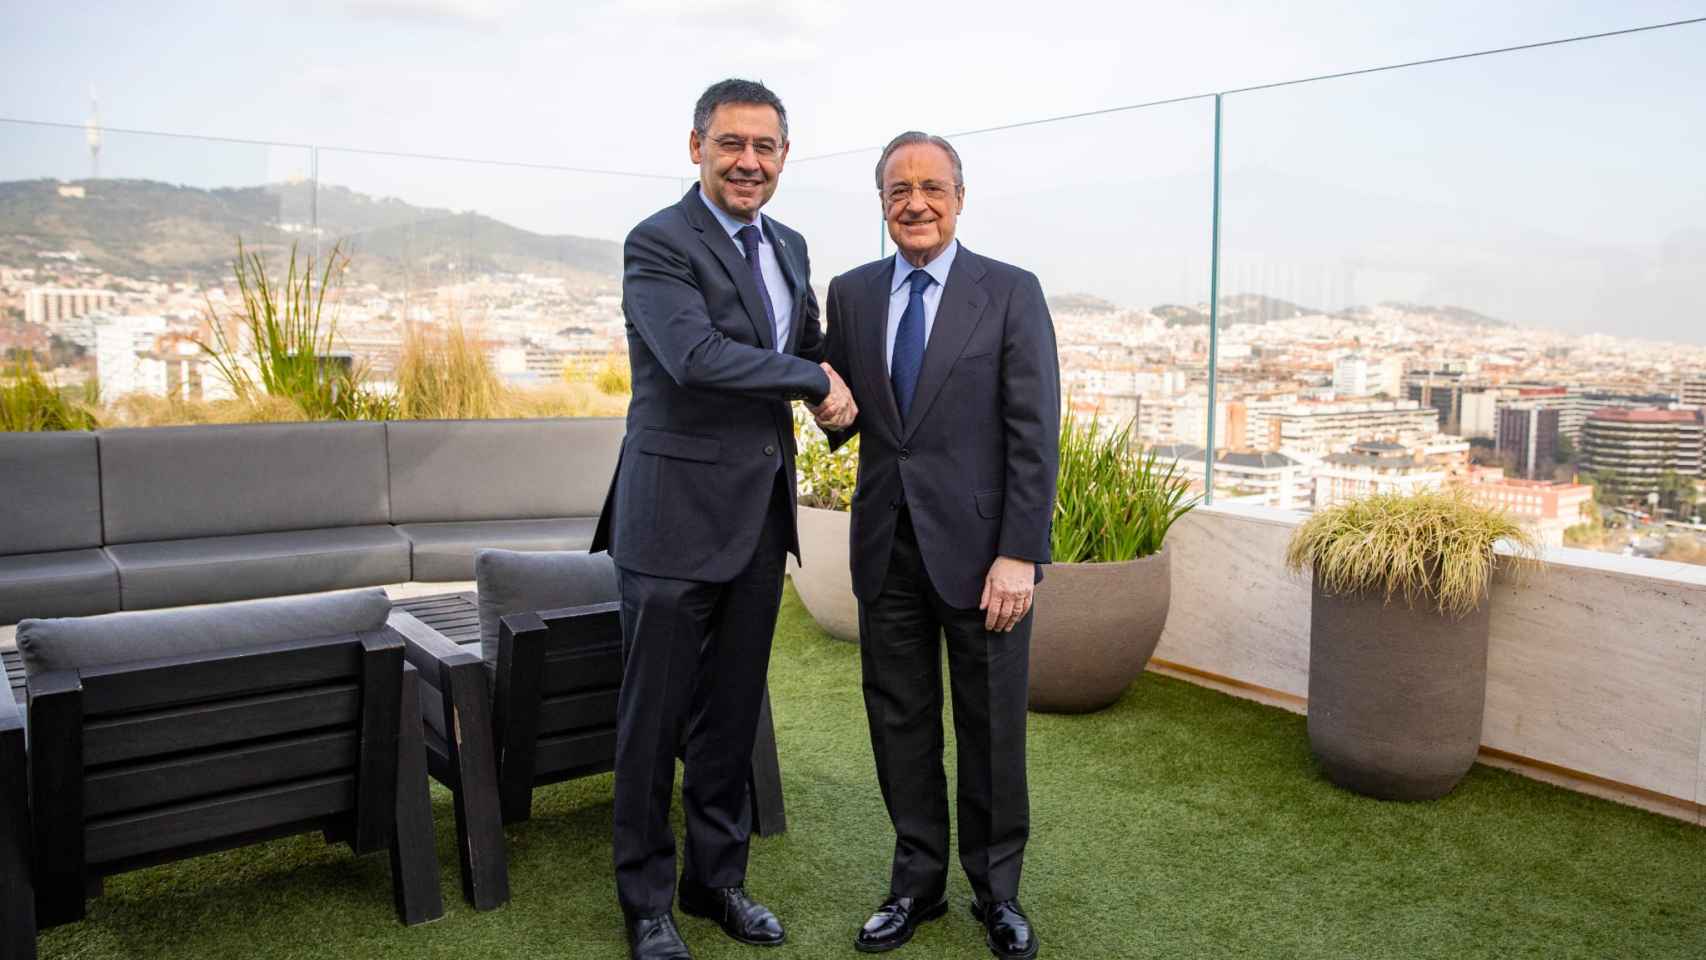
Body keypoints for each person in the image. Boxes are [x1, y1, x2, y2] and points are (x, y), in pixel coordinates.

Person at [592, 77, 856, 960]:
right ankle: (646, 903)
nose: (749, 162)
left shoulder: (789, 244)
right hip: (669, 522)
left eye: (766, 147)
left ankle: (717, 882)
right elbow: (696, 358)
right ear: (696, 145)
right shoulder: (658, 242)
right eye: (732, 144)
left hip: (755, 520)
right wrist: (814, 383)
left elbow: (800, 347)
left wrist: (843, 392)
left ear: (784, 156)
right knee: (652, 722)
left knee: (730, 717)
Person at [818, 131, 1060, 959]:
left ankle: (998, 895)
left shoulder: (1011, 292)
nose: (914, 203)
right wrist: (826, 408)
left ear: (960, 196)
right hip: (886, 548)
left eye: (931, 187)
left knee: (992, 728)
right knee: (901, 722)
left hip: (987, 557)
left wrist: (1020, 552)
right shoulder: (849, 294)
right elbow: (846, 405)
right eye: (897, 190)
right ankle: (916, 886)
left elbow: (1035, 432)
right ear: (881, 202)